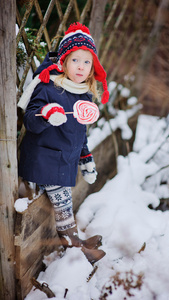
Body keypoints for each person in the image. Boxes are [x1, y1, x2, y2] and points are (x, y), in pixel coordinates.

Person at [18, 22, 109, 265]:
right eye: (76, 60)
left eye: (86, 62)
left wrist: (86, 159)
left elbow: (81, 134)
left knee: (64, 203)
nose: (81, 67)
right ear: (64, 61)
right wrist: (47, 113)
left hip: (63, 163)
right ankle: (74, 247)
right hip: (44, 160)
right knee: (64, 205)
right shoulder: (48, 87)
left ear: (92, 68)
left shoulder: (84, 95)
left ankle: (74, 241)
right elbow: (31, 120)